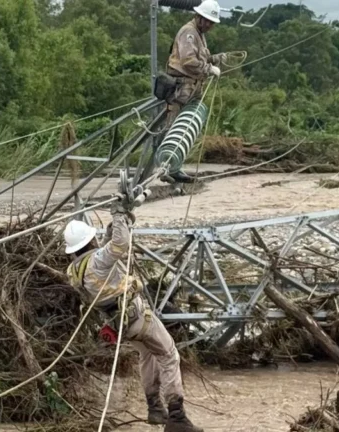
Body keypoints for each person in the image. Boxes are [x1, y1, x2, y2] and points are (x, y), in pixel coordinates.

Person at [64, 186, 203, 432]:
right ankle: (177, 417)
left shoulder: (75, 270)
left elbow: (103, 255)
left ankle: (154, 408)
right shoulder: (98, 261)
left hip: (121, 324)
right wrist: (119, 216)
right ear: (89, 241)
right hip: (137, 317)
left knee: (147, 354)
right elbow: (118, 246)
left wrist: (117, 224)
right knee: (170, 355)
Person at [163, 0, 226, 184]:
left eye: (211, 22)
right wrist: (208, 69)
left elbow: (201, 57)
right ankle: (167, 167)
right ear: (198, 17)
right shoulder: (189, 32)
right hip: (180, 89)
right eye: (207, 21)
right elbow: (188, 61)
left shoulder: (200, 34)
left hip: (192, 89)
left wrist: (214, 59)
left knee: (187, 129)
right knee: (174, 130)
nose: (209, 25)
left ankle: (175, 168)